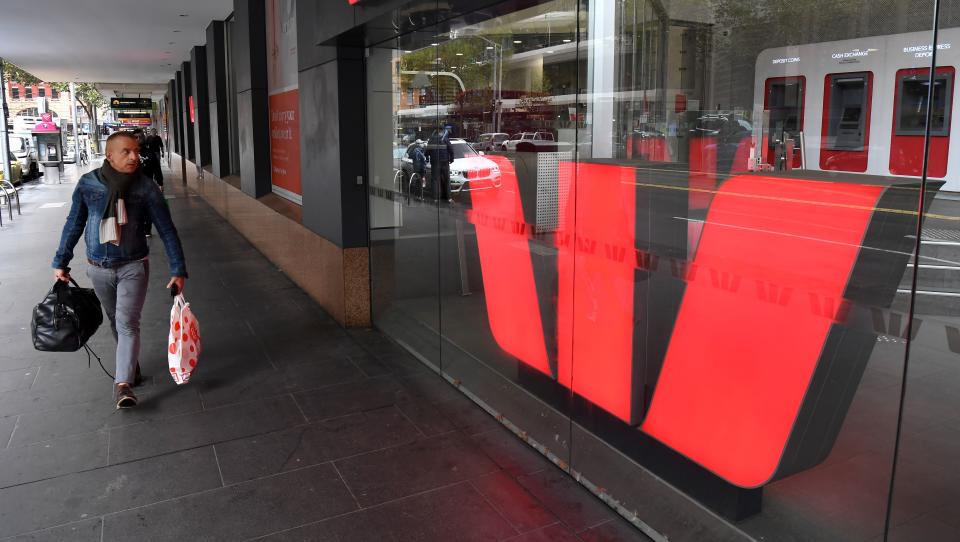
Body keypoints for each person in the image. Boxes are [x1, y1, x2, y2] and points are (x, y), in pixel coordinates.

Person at [52, 132, 187, 409]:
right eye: (126, 152)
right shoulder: (89, 184)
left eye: (136, 151)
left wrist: (178, 268)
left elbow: (166, 228)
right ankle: (130, 366)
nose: (134, 157)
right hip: (97, 268)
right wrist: (61, 261)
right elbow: (73, 224)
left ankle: (122, 384)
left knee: (127, 323)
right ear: (109, 156)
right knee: (115, 321)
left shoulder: (145, 187)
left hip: (133, 266)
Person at [427, 127, 454, 202]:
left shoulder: (431, 139)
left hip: (435, 162)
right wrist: (452, 159)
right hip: (445, 162)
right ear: (442, 131)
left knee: (435, 180)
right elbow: (451, 149)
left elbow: (427, 150)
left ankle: (435, 198)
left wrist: (427, 158)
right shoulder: (445, 139)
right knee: (447, 180)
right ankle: (448, 198)